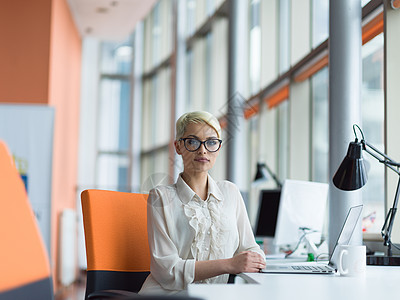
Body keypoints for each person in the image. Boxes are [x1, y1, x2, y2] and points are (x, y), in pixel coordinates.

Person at [139, 111, 266, 295]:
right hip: (167, 296)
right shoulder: (160, 197)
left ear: (219, 148)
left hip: (213, 296)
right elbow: (167, 271)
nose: (203, 150)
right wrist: (230, 265)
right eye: (192, 141)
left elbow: (251, 249)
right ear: (178, 146)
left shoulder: (230, 193)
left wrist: (256, 259)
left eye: (211, 142)